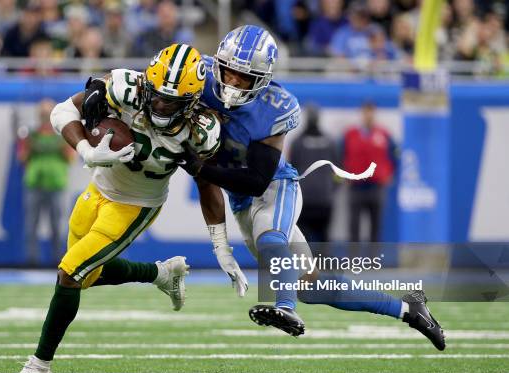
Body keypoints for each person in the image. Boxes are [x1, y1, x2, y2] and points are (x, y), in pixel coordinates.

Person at [179, 25, 445, 351]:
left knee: (271, 238)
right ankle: (410, 310)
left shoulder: (273, 107)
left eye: (243, 77)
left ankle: (285, 309)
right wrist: (102, 88)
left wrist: (200, 167)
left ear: (261, 80)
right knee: (313, 287)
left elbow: (257, 180)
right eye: (229, 71)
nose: (232, 81)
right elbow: (147, 82)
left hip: (275, 187)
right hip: (241, 204)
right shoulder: (197, 76)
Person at [10, 43, 221, 373]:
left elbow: (209, 183)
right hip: (96, 190)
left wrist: (221, 244)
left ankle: (39, 366)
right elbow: (61, 112)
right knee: (86, 274)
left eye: (173, 101)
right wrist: (86, 150)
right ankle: (160, 274)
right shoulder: (126, 87)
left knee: (70, 272)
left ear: (192, 101)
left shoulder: (201, 130)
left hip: (136, 205)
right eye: (157, 96)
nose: (161, 105)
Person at [18, 99, 72, 266]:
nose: (45, 117)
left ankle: (60, 260)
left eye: (48, 114)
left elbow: (70, 157)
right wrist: (28, 144)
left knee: (58, 224)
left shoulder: (62, 133)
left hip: (56, 183)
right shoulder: (31, 134)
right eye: (42, 114)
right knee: (31, 224)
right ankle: (32, 259)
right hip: (35, 182)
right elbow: (22, 158)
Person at [342, 101, 397, 242]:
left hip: (376, 187)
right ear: (361, 114)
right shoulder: (350, 134)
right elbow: (341, 155)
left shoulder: (384, 135)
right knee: (353, 227)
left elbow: (395, 154)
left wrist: (390, 173)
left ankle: (373, 262)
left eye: (371, 112)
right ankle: (354, 261)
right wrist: (344, 175)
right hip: (356, 187)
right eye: (365, 112)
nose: (368, 115)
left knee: (376, 227)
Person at [288, 104, 336, 243]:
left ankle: (305, 264)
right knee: (324, 238)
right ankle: (323, 264)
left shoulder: (297, 142)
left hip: (304, 200)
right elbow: (338, 170)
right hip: (324, 200)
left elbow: (292, 170)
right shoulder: (330, 142)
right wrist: (331, 189)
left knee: (303, 239)